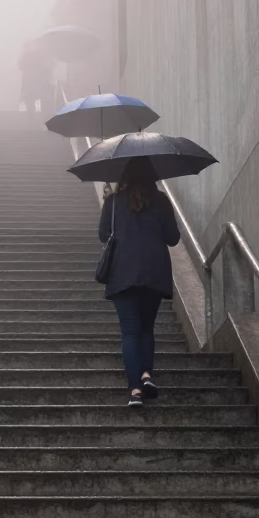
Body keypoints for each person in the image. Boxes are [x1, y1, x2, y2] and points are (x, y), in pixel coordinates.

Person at [98, 163, 181, 407]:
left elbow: (104, 235)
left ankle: (135, 390)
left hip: (122, 273)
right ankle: (146, 375)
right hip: (154, 273)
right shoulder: (162, 200)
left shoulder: (113, 202)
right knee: (146, 328)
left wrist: (109, 202)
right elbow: (173, 238)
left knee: (131, 332)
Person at [18, 41, 54, 114]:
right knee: (36, 102)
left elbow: (21, 68)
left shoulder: (26, 57)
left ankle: (35, 119)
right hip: (34, 84)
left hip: (32, 84)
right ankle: (38, 119)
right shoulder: (32, 57)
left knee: (32, 102)